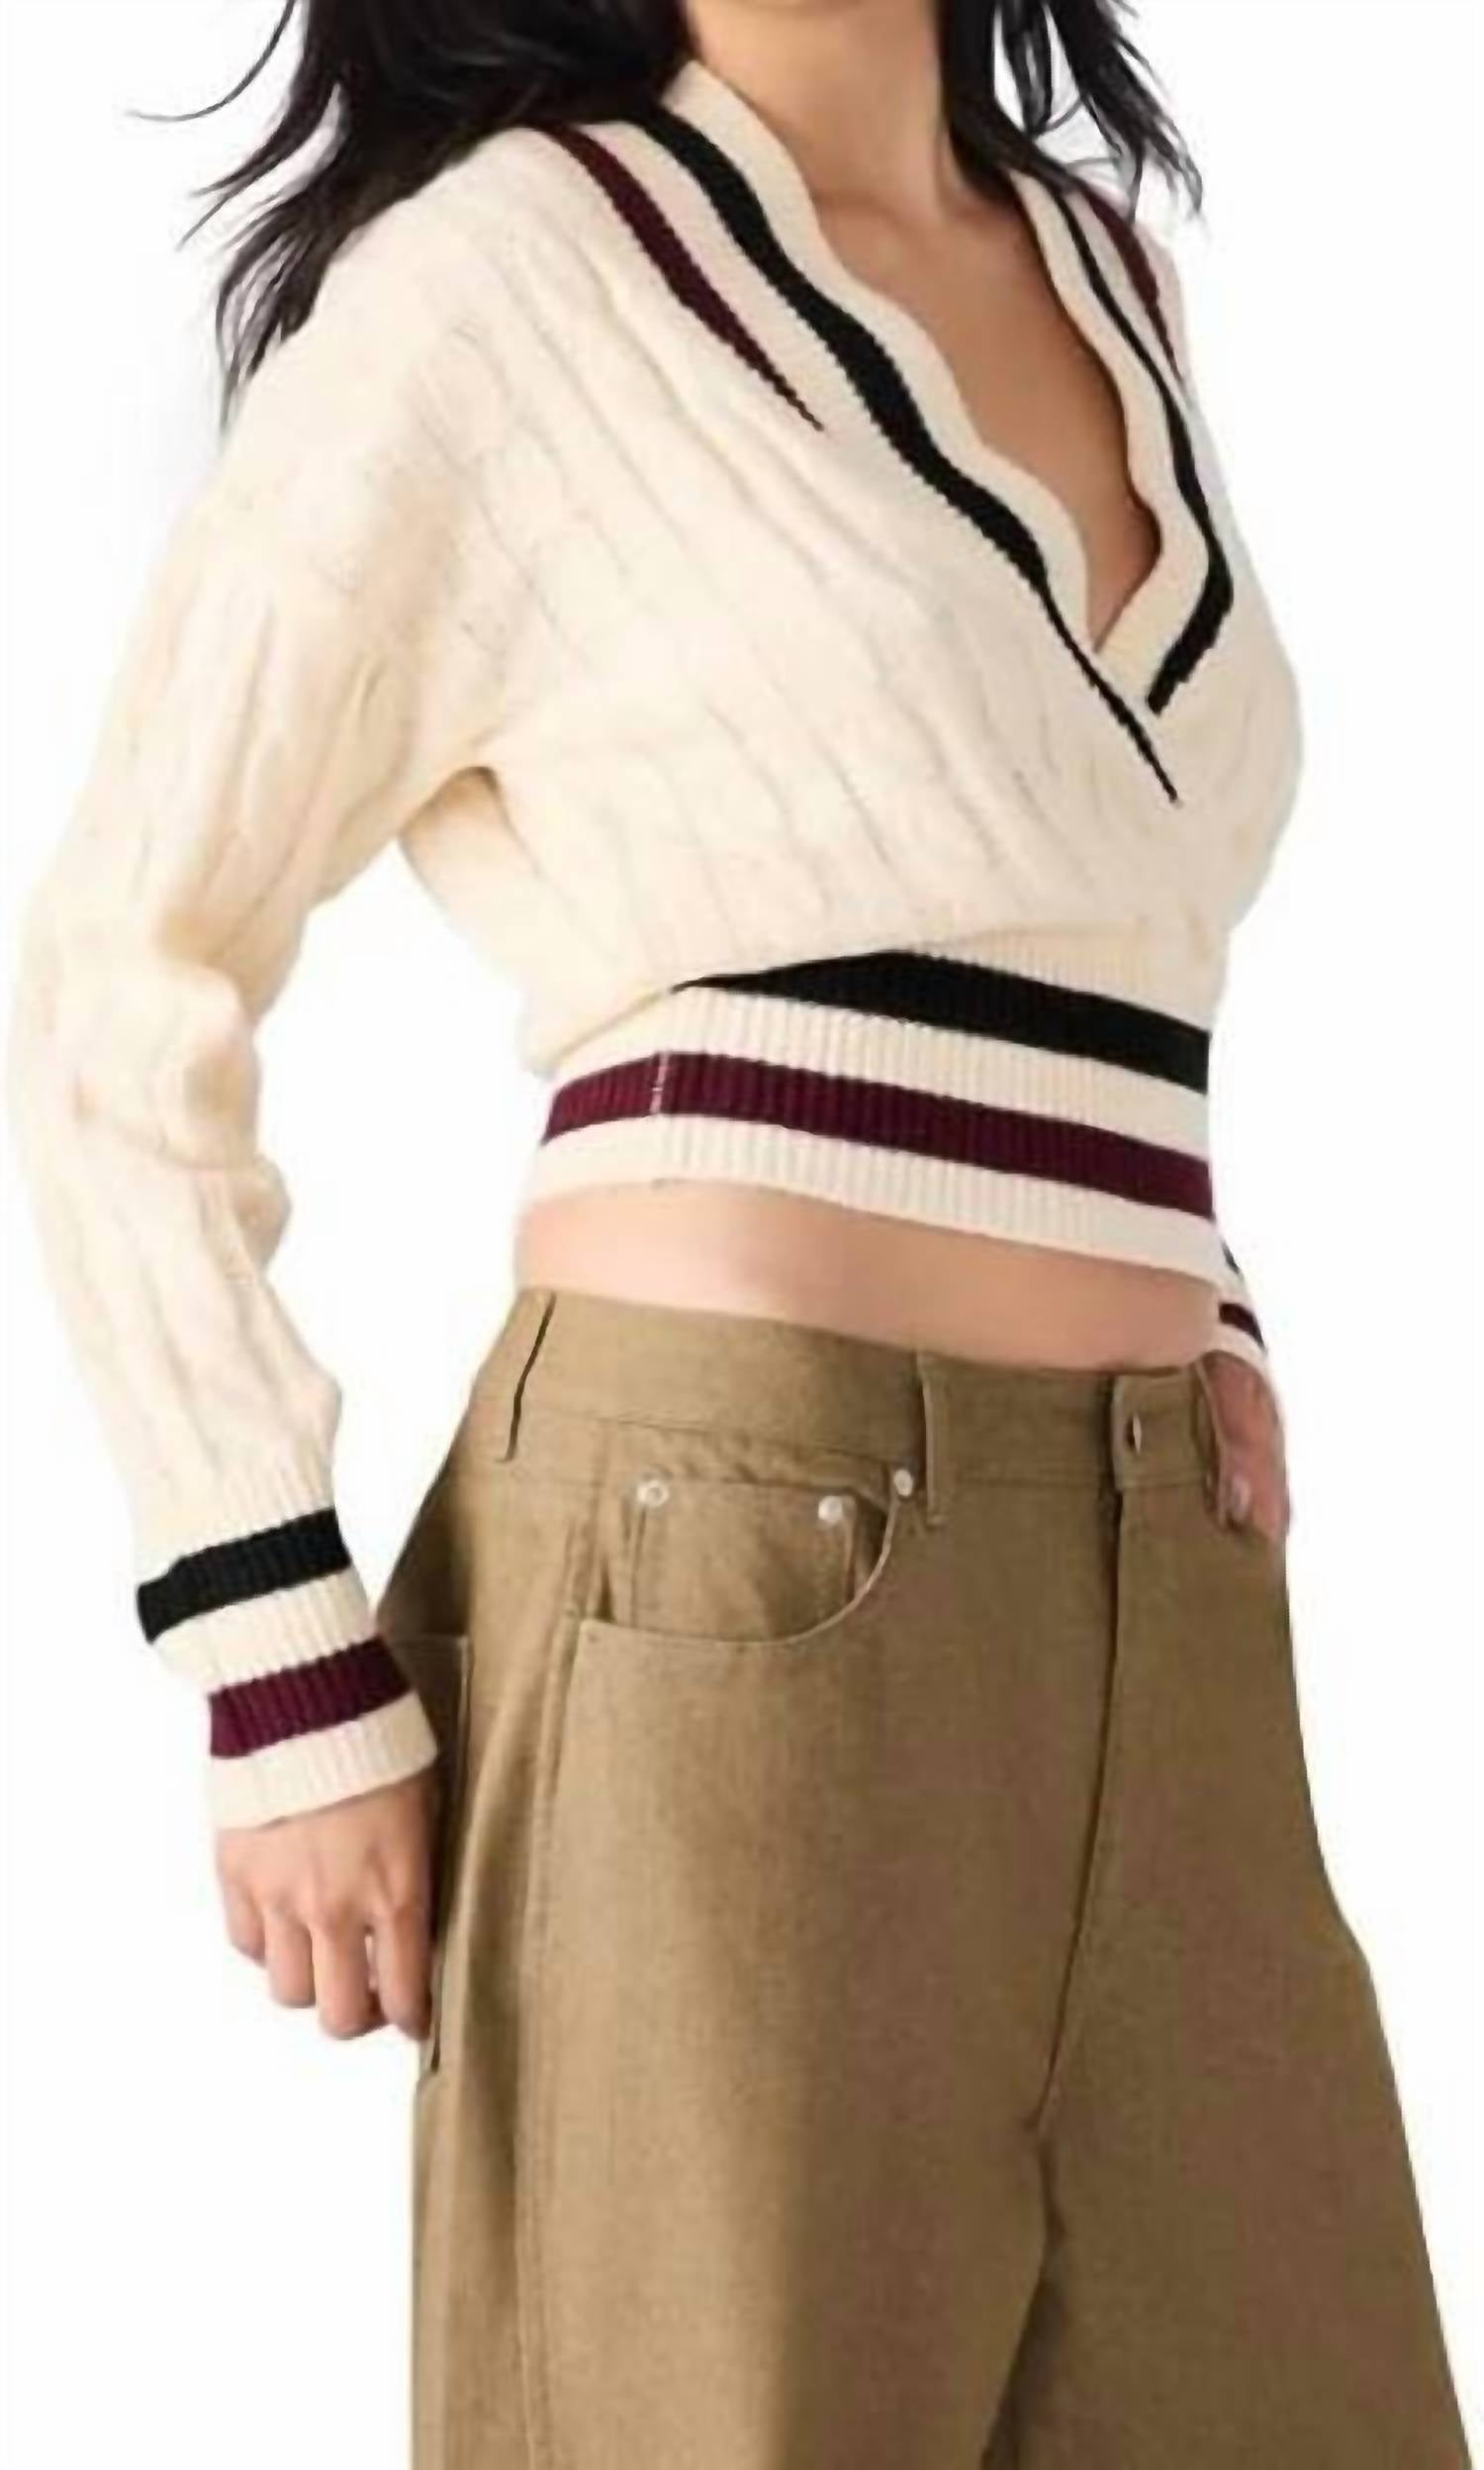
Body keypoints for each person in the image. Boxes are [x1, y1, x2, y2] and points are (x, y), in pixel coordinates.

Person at [7, 4, 1471, 2464]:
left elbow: (1074, 881)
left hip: (1168, 1574)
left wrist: (1198, 1293)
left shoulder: (1106, 273)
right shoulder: (508, 281)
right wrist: (268, 1645)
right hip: (732, 1558)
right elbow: (111, 984)